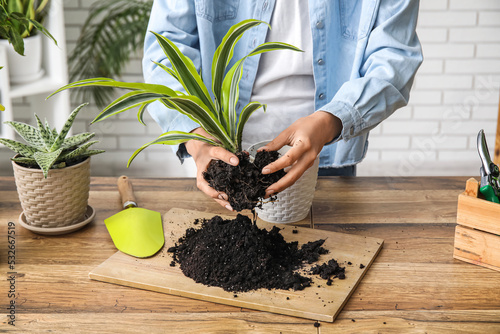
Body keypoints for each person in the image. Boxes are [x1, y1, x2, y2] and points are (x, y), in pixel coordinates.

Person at [143, 0, 423, 211]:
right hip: (216, 155)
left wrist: (330, 121)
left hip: (323, 148)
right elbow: (165, 48)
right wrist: (196, 140)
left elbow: (394, 55)